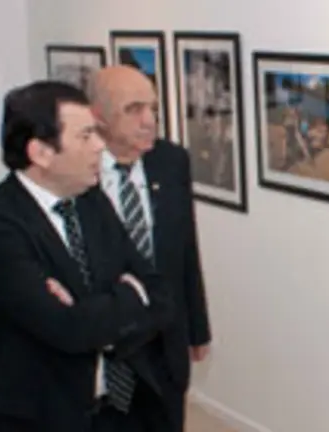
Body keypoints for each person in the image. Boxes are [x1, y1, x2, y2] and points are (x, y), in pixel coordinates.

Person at [0, 80, 174, 432]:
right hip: (42, 419)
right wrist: (129, 296)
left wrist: (97, 311)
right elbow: (68, 330)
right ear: (41, 152)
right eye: (85, 136)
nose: (100, 146)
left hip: (119, 410)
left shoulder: (90, 201)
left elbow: (159, 295)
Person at [87, 65, 212, 432]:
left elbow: (186, 248)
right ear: (99, 117)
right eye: (134, 109)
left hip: (165, 335)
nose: (149, 120)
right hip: (107, 344)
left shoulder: (171, 162)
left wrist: (197, 328)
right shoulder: (79, 171)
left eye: (153, 108)